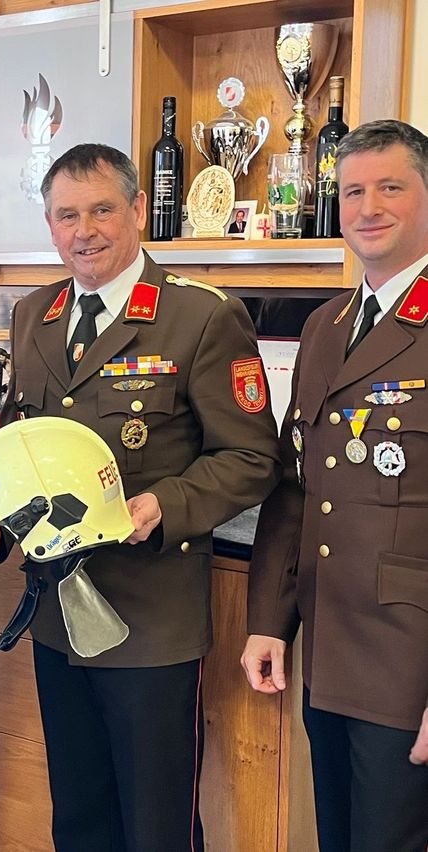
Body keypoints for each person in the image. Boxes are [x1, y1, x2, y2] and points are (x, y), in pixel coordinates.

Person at [0, 142, 281, 852]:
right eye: (66, 215)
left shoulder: (200, 317)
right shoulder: (35, 313)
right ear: (49, 223)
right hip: (59, 615)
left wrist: (163, 506)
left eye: (101, 210)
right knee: (80, 817)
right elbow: (19, 443)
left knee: (157, 825)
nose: (83, 230)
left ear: (134, 212)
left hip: (149, 621)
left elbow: (253, 457)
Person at [242, 119, 428, 852]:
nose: (368, 206)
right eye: (352, 190)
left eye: (390, 187)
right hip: (328, 656)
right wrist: (267, 617)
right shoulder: (327, 324)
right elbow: (297, 484)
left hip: (409, 669)